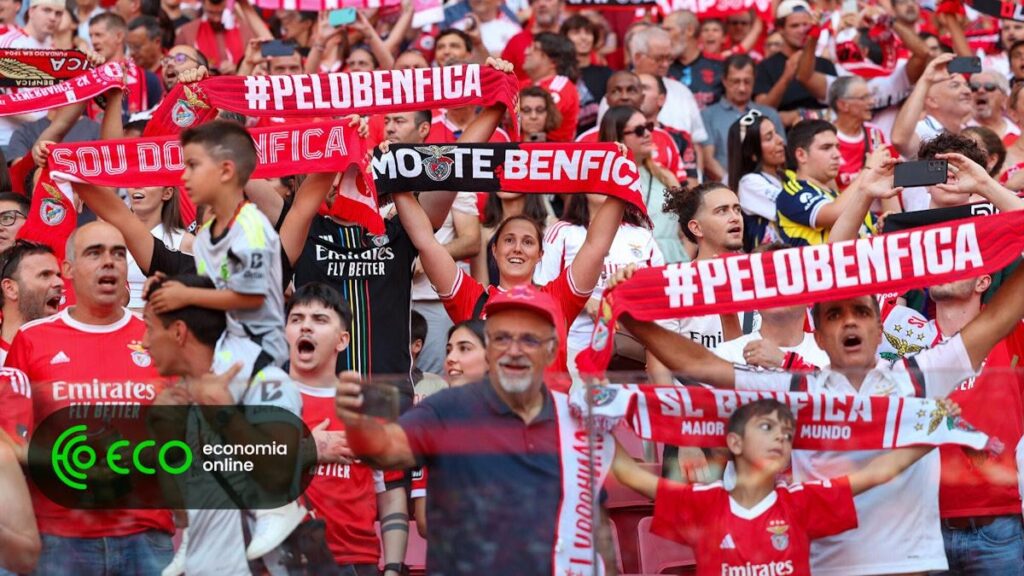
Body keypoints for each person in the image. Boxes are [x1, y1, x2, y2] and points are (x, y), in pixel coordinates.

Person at [609, 247, 1024, 575]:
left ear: (879, 330)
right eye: (835, 315)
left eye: (861, 312)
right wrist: (630, 310)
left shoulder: (918, 376)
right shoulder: (795, 391)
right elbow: (701, 366)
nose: (849, 324)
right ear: (819, 335)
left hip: (912, 568)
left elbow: (1000, 317)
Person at [336, 285, 595, 574]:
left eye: (528, 339)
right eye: (501, 338)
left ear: (550, 350)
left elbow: (606, 508)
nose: (513, 349)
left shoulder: (571, 419)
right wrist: (358, 425)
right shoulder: (447, 408)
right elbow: (387, 449)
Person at [612, 398, 953, 575]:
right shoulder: (705, 504)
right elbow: (628, 472)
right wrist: (585, 410)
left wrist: (940, 427)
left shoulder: (801, 502)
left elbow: (882, 469)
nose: (780, 437)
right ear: (734, 442)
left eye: (787, 434)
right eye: (767, 427)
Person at [6, 221, 174, 574]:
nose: (109, 262)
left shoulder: (157, 337)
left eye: (118, 254)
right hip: (60, 537)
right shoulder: (32, 339)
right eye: (94, 253)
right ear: (67, 270)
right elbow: (11, 439)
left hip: (144, 532)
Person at [142, 274, 303, 575]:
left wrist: (223, 414)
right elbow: (182, 516)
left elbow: (279, 472)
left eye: (149, 329)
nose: (143, 342)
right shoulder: (181, 400)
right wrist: (166, 441)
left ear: (178, 332)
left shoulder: (266, 383)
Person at [283, 282, 409, 576]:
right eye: (296, 319)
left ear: (343, 340)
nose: (305, 328)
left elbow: (390, 494)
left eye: (319, 319)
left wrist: (391, 569)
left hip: (355, 563)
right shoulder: (259, 401)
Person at [147, 120, 289, 367]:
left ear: (225, 171)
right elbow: (214, 291)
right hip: (225, 357)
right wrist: (169, 285)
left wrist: (186, 294)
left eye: (193, 166)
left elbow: (251, 297)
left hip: (262, 364)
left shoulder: (251, 227)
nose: (184, 176)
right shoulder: (204, 238)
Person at [536, 192, 661, 377]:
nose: (602, 187)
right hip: (575, 347)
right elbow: (541, 289)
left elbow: (660, 294)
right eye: (597, 180)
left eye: (609, 181)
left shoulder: (642, 235)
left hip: (630, 353)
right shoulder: (562, 231)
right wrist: (585, 301)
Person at [775, 120, 880, 247]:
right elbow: (836, 214)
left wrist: (884, 222)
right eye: (826, 148)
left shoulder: (840, 197)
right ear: (801, 155)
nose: (837, 155)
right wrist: (868, 170)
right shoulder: (791, 194)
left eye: (837, 147)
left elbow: (880, 229)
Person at [701, 54, 784, 183]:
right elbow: (708, 159)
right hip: (724, 191)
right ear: (724, 81)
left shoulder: (769, 114)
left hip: (768, 188)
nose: (742, 88)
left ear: (754, 80)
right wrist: (733, 186)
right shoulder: (708, 115)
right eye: (735, 81)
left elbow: (781, 155)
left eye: (747, 81)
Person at [753, 0, 836, 122]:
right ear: (780, 29)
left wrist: (801, 115)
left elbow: (841, 107)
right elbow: (762, 112)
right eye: (795, 26)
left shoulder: (825, 64)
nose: (802, 30)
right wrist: (786, 78)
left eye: (805, 25)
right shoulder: (765, 67)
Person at [891, 53, 973, 159]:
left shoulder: (970, 132)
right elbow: (900, 140)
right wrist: (926, 80)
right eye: (955, 86)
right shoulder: (923, 130)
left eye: (967, 85)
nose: (967, 91)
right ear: (932, 101)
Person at [124, 185, 193, 310]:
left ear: (167, 193)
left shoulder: (186, 242)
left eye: (148, 182)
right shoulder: (113, 236)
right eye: (133, 180)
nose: (136, 186)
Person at [728, 110, 786, 251]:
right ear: (752, 154)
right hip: (769, 265)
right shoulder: (749, 183)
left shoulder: (786, 176)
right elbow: (793, 209)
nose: (780, 140)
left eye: (776, 132)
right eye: (769, 137)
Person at [0, 241, 63, 364]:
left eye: (58, 275)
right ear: (10, 288)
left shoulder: (71, 348)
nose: (60, 283)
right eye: (45, 275)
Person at [89, 12, 163, 117]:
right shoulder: (88, 80)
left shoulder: (148, 79)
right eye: (90, 36)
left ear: (119, 36)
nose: (93, 41)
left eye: (98, 35)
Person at [829, 76, 890, 191]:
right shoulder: (827, 139)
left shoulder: (875, 133)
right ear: (843, 105)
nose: (872, 101)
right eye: (864, 98)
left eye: (870, 96)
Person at [521, 32, 579, 142]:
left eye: (535, 49)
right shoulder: (525, 84)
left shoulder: (561, 87)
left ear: (553, 61)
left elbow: (536, 124)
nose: (526, 52)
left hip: (551, 154)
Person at [560, 14, 612, 134]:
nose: (584, 37)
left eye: (588, 32)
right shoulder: (558, 75)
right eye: (576, 32)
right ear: (564, 37)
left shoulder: (607, 74)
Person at [663, 10, 724, 109]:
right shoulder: (662, 67)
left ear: (689, 30)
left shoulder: (719, 66)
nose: (664, 36)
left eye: (668, 30)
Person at [501, 0, 564, 80]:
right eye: (536, 0)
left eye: (548, 0)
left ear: (561, 5)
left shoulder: (572, 38)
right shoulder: (516, 41)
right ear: (531, 6)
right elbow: (501, 78)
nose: (542, 4)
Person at [968, 69, 1019, 146]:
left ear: (1004, 98)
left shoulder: (1017, 132)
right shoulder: (958, 131)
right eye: (974, 87)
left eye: (989, 87)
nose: (980, 91)